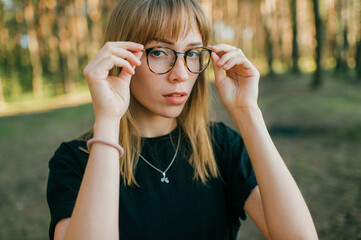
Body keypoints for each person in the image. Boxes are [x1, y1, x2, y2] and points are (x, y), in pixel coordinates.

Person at [46, 0, 318, 239]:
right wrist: (107, 119)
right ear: (121, 56)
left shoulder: (220, 146)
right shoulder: (75, 160)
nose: (180, 74)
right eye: (159, 52)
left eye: (191, 53)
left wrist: (247, 112)